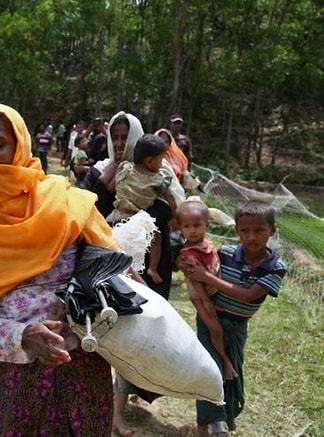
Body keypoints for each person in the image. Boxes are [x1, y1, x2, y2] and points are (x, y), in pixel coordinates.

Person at [0, 102, 126, 436]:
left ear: (19, 146)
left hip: (85, 368)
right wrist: (23, 337)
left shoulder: (65, 201)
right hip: (19, 380)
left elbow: (110, 269)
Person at [81, 111, 184, 436]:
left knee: (141, 328)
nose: (121, 142)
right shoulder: (105, 168)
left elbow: (176, 209)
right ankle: (112, 408)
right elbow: (84, 207)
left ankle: (126, 395)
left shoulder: (161, 171)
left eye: (127, 136)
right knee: (112, 329)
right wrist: (102, 180)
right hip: (111, 260)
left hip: (152, 257)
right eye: (116, 137)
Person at [178, 200, 287, 437]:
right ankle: (205, 427)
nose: (251, 237)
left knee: (231, 375)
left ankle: (221, 420)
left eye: (259, 230)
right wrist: (188, 266)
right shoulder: (224, 253)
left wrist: (207, 277)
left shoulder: (276, 266)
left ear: (273, 230)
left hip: (236, 328)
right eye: (245, 230)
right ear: (237, 230)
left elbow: (249, 296)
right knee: (210, 371)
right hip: (210, 320)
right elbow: (193, 265)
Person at [176, 200, 238, 382]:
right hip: (200, 294)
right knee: (215, 329)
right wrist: (206, 301)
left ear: (207, 225)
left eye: (197, 225)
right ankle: (225, 362)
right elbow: (196, 281)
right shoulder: (188, 254)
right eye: (186, 227)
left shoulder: (207, 243)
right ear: (180, 228)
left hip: (212, 288)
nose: (192, 230)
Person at [106, 134, 177, 285]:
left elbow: (111, 187)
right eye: (161, 159)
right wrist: (173, 217)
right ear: (150, 160)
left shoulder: (125, 169)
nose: (162, 163)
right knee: (156, 235)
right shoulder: (158, 179)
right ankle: (153, 268)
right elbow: (171, 199)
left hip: (117, 216)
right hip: (139, 219)